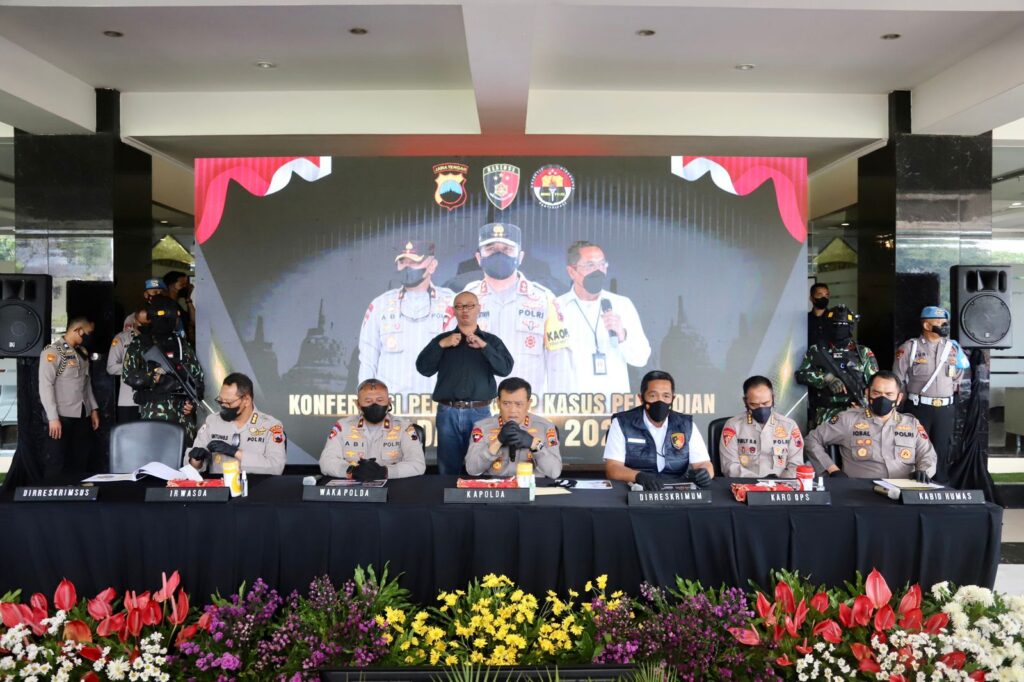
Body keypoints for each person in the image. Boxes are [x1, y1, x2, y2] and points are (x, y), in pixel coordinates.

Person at [462, 223, 571, 398]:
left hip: (528, 408)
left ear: (520, 257)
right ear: (479, 257)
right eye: (491, 249)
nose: (499, 254)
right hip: (478, 406)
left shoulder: (544, 300)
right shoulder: (463, 302)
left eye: (507, 249)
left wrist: (558, 407)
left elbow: (559, 362)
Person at [416, 291, 514, 474]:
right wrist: (441, 345)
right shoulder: (442, 340)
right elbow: (423, 368)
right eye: (460, 306)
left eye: (469, 306)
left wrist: (484, 346)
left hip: (480, 412)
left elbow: (505, 369)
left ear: (478, 309)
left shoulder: (491, 341)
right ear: (454, 311)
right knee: (448, 468)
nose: (465, 310)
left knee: (482, 464)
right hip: (448, 411)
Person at [358, 240, 457, 397]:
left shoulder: (452, 303)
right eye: (402, 262)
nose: (407, 267)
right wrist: (367, 400)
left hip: (438, 404)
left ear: (432, 265)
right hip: (392, 405)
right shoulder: (380, 305)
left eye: (414, 262)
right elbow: (368, 360)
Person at [556, 240, 650, 404]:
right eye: (590, 265)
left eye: (602, 264)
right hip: (572, 405)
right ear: (572, 271)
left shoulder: (622, 304)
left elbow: (641, 359)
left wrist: (622, 334)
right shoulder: (557, 307)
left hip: (614, 405)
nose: (598, 270)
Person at [805, 371, 937, 480]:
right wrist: (832, 470)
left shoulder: (911, 424)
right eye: (876, 393)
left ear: (898, 398)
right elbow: (812, 440)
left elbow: (927, 455)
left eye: (889, 394)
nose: (882, 398)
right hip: (861, 493)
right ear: (867, 393)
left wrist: (923, 471)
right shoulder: (848, 420)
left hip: (903, 492)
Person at [893, 306, 970, 483]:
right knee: (914, 448)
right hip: (918, 408)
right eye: (940, 323)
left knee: (942, 450)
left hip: (945, 409)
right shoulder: (910, 348)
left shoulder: (953, 348)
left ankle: (940, 486)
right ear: (927, 325)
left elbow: (958, 377)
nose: (944, 326)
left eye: (945, 323)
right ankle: (914, 486)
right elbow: (897, 379)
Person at [603, 370, 714, 491]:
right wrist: (638, 476)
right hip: (634, 490)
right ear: (641, 398)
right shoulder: (622, 423)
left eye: (666, 396)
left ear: (672, 399)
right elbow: (612, 468)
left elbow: (704, 464)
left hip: (677, 492)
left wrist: (705, 473)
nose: (660, 401)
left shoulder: (686, 425)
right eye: (653, 396)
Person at [122, 295, 205, 443]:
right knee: (156, 454)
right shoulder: (141, 343)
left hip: (182, 416)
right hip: (154, 413)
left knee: (184, 455)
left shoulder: (181, 344)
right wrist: (157, 378)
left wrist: (191, 401)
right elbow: (128, 376)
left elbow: (197, 376)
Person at [319, 379, 426, 480]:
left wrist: (384, 472)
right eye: (368, 401)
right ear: (358, 404)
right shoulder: (343, 426)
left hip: (393, 488)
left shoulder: (404, 427)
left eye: (380, 400)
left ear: (389, 402)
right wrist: (351, 470)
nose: (374, 404)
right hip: (354, 488)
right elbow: (326, 461)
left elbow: (417, 464)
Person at [795, 304, 879, 429]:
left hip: (857, 413)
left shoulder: (863, 353)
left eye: (843, 325)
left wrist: (865, 405)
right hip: (826, 415)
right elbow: (801, 375)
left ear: (850, 327)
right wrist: (827, 378)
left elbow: (876, 383)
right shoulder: (817, 351)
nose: (839, 329)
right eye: (835, 325)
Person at [185, 373, 286, 475]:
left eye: (228, 402)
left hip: (256, 484)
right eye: (220, 401)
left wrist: (236, 452)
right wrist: (195, 460)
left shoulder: (271, 426)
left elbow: (276, 467)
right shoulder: (212, 421)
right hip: (219, 484)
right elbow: (190, 467)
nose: (223, 406)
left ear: (246, 400)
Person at [38, 316, 100, 477]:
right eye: (87, 333)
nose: (89, 337)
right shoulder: (53, 352)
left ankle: (77, 489)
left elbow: (86, 383)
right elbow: (45, 386)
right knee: (57, 460)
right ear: (77, 330)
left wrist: (93, 409)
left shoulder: (82, 352)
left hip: (82, 413)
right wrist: (53, 418)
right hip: (61, 415)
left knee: (80, 459)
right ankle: (53, 490)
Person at [465, 377, 562, 478]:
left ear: (528, 404)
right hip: (496, 486)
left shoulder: (545, 427)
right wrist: (498, 442)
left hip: (531, 486)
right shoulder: (482, 427)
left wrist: (534, 444)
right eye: (506, 404)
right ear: (498, 403)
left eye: (519, 404)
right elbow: (472, 470)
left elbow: (554, 472)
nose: (512, 410)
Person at [719, 375, 804, 478]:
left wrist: (781, 484)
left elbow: (796, 465)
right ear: (745, 401)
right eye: (754, 404)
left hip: (781, 485)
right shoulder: (733, 426)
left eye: (765, 403)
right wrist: (759, 483)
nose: (761, 408)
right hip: (746, 485)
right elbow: (729, 466)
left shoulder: (789, 426)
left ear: (773, 398)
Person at [107, 303, 148, 423]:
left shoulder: (155, 338)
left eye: (146, 323)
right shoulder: (122, 338)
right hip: (128, 399)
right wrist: (134, 368)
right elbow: (111, 367)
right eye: (141, 323)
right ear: (135, 320)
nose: (143, 326)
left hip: (152, 399)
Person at [163, 270, 195, 342]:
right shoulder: (166, 305)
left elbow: (193, 320)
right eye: (182, 285)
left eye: (186, 284)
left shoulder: (177, 305)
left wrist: (188, 299)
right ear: (171, 286)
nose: (185, 287)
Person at [808, 282, 830, 349]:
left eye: (826, 295)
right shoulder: (805, 319)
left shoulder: (834, 318)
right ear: (811, 298)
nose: (824, 298)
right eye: (820, 295)